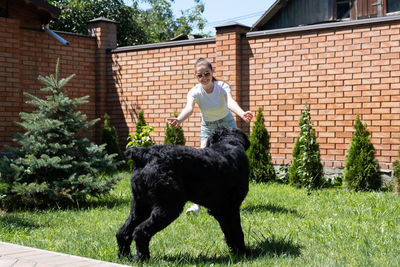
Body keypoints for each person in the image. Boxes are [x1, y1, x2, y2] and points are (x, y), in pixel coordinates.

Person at [168, 58, 253, 213]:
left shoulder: (222, 87)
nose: (204, 77)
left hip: (227, 125)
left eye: (207, 73)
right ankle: (197, 204)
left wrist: (242, 113)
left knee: (232, 161)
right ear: (196, 77)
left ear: (212, 72)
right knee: (202, 162)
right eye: (199, 75)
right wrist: (179, 119)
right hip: (208, 127)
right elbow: (189, 108)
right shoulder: (195, 91)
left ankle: (232, 198)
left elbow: (230, 102)